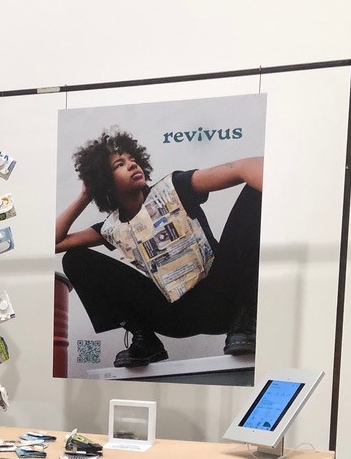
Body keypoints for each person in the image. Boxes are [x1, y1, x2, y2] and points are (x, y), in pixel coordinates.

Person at [55, 130, 262, 368]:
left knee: (255, 191)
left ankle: (247, 317)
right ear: (104, 180)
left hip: (224, 298)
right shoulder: (111, 228)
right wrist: (86, 194)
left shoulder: (176, 187)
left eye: (133, 159)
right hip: (176, 316)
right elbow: (54, 242)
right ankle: (145, 340)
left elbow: (244, 167)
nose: (132, 164)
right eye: (119, 164)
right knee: (75, 260)